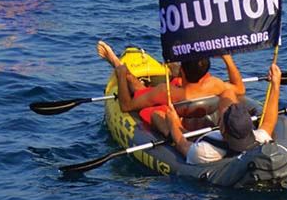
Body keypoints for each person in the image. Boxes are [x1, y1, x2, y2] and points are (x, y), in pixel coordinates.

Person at [96, 40, 246, 134]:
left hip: (171, 104)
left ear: (183, 72)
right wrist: (227, 58)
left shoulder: (165, 92)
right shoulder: (215, 84)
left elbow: (126, 106)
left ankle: (117, 64)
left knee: (140, 91)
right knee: (147, 88)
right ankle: (128, 70)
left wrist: (121, 76)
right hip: (192, 98)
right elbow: (240, 89)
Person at [165, 63, 283, 164]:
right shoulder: (261, 139)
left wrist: (173, 123)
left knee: (157, 117)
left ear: (222, 129)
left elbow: (181, 144)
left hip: (215, 168)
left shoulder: (205, 152)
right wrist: (275, 84)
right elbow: (268, 121)